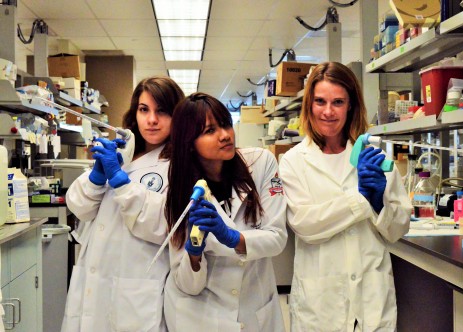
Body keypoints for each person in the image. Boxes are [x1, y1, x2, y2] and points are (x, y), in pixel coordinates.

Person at [279, 62, 412, 332]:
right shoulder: (293, 162)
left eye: (338, 102)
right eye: (320, 101)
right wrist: (362, 198)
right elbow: (306, 225)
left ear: (350, 105)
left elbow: (398, 228)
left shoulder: (376, 159)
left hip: (371, 297)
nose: (328, 111)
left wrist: (378, 204)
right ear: (309, 105)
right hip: (321, 305)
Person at [61, 76, 185, 332]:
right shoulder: (122, 153)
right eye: (144, 110)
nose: (151, 120)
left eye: (162, 111)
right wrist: (97, 177)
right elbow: (79, 207)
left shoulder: (182, 166)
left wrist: (120, 181)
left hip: (137, 288)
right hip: (95, 281)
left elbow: (165, 227)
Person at [163, 92, 287, 332]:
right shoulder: (178, 189)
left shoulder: (262, 163)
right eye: (209, 131)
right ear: (188, 143)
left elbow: (277, 237)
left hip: (253, 308)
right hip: (199, 315)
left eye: (226, 124)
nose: (225, 135)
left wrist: (234, 239)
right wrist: (194, 256)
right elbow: (188, 285)